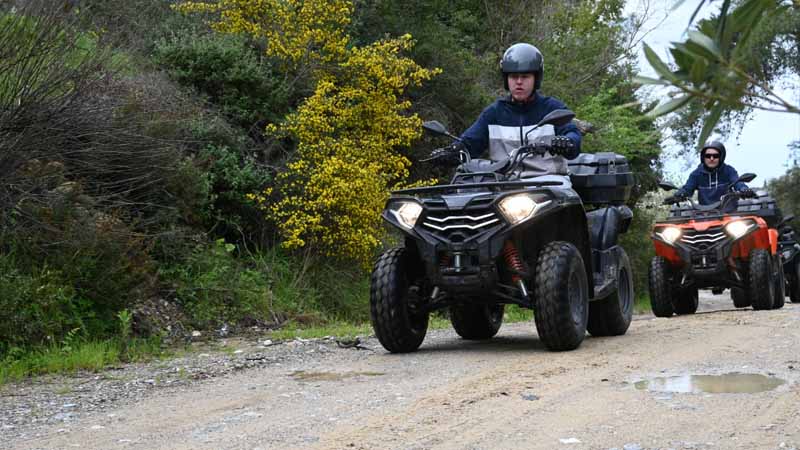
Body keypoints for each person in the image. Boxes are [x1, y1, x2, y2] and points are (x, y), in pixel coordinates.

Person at [442, 43, 581, 184]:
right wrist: (451, 152)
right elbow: (470, 143)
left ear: (536, 79)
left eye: (525, 77)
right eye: (514, 77)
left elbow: (573, 135)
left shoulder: (553, 109)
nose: (519, 82)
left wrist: (567, 142)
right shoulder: (494, 113)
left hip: (550, 182)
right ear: (506, 79)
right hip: (504, 184)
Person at [665, 141, 755, 205]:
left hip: (728, 213)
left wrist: (744, 189)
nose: (711, 158)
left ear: (721, 157)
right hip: (703, 215)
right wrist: (678, 195)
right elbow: (687, 189)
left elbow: (738, 182)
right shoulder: (696, 174)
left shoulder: (728, 170)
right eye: (708, 156)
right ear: (703, 157)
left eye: (715, 156)